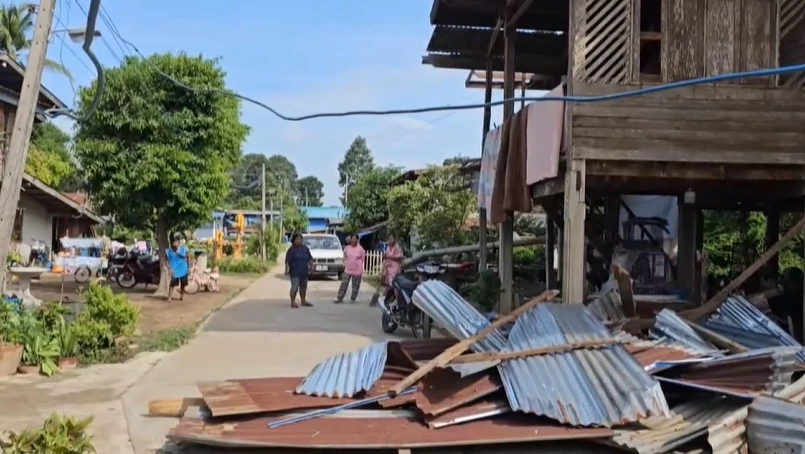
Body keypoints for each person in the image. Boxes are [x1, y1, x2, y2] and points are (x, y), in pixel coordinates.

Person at [372, 234, 403, 306]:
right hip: (387, 266)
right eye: (389, 239)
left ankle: (396, 298)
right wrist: (384, 257)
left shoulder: (397, 247)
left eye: (392, 238)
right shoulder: (388, 247)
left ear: (394, 239)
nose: (390, 240)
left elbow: (399, 258)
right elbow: (385, 255)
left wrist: (389, 256)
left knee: (393, 283)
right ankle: (389, 298)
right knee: (388, 284)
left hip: (395, 267)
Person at [285, 232, 313, 308]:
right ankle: (293, 302)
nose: (299, 240)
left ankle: (303, 301)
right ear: (293, 240)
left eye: (301, 239)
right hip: (295, 272)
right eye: (297, 239)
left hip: (304, 271)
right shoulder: (291, 250)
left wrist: (312, 267)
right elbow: (287, 261)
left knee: (303, 287)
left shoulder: (305, 248)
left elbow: (310, 259)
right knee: (295, 287)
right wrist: (286, 269)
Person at [335, 235, 365, 304]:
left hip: (357, 269)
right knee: (344, 283)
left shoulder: (360, 249)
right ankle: (340, 297)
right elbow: (345, 257)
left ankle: (353, 298)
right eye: (352, 239)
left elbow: (362, 259)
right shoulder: (347, 248)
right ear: (350, 240)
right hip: (348, 269)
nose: (354, 240)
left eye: (355, 239)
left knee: (356, 285)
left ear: (357, 240)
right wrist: (345, 263)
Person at [166, 235, 190, 302]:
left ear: (179, 243)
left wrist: (189, 268)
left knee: (183, 283)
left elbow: (188, 258)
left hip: (183, 269)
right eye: (173, 242)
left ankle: (182, 295)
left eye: (176, 242)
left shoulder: (184, 249)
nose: (175, 244)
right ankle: (169, 297)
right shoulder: (168, 251)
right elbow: (166, 261)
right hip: (174, 270)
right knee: (172, 283)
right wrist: (169, 268)